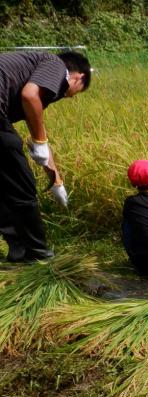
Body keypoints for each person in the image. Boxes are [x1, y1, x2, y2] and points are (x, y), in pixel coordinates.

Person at [0, 50, 91, 262]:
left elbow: (38, 132)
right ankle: (38, 253)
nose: (70, 97)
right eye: (76, 92)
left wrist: (56, 181)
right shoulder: (55, 64)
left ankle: (18, 248)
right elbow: (30, 95)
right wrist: (40, 143)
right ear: (79, 77)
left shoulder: (29, 72)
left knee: (4, 183)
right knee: (22, 184)